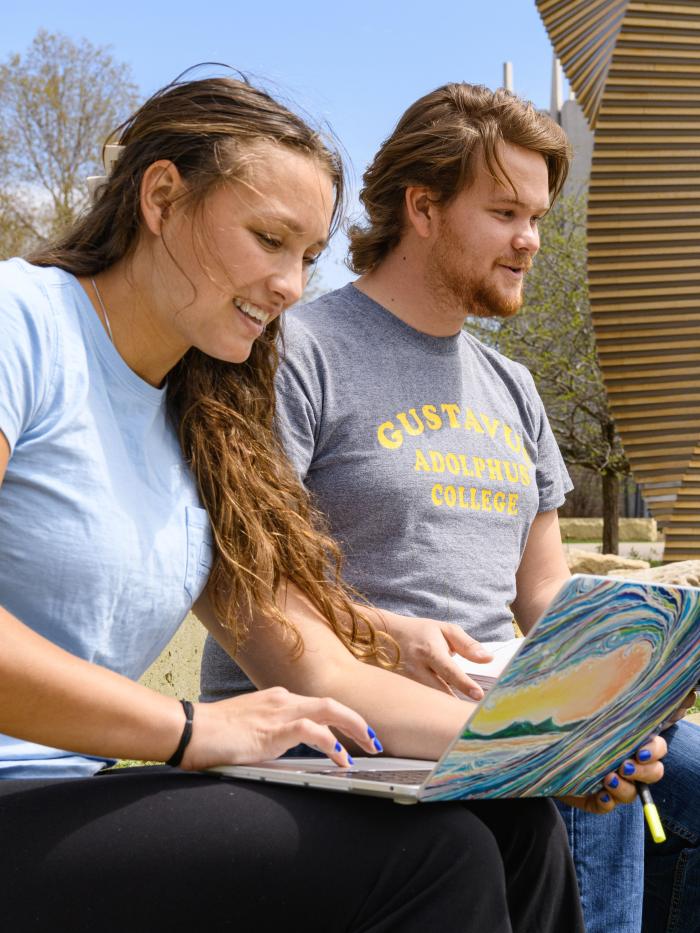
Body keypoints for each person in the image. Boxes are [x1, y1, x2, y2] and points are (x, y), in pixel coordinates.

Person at [0, 71, 602, 933]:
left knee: (516, 823)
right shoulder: (20, 322)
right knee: (438, 858)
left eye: (308, 255)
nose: (290, 284)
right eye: (268, 238)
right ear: (162, 197)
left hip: (72, 791)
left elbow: (316, 667)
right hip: (33, 799)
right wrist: (188, 729)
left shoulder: (201, 415)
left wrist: (547, 748)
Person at [200, 82, 695, 933]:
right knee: (550, 792)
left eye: (538, 216)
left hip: (506, 703)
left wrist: (630, 680)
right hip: (347, 724)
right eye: (506, 212)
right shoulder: (292, 353)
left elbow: (544, 596)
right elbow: (252, 583)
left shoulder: (514, 387)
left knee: (664, 764)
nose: (531, 240)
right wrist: (545, 732)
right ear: (422, 206)